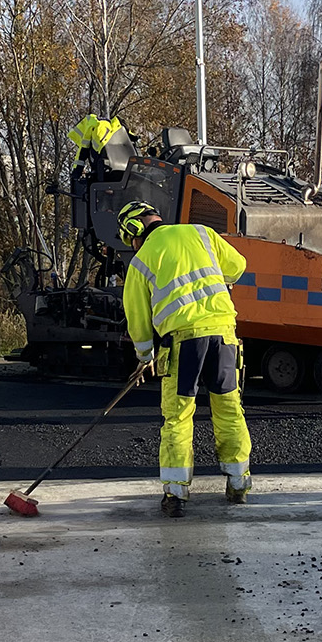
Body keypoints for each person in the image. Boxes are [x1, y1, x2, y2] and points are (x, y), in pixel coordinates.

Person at [119, 201, 252, 518]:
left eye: (130, 238)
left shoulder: (141, 261)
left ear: (135, 230)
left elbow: (137, 317)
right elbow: (238, 266)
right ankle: (238, 484)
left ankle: (176, 494)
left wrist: (144, 356)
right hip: (224, 337)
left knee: (178, 418)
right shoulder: (202, 233)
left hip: (183, 343)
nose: (133, 244)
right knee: (229, 409)